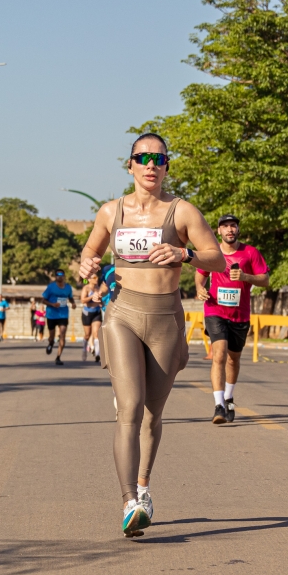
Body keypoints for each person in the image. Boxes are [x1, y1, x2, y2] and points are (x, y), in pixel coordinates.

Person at [78, 132, 225, 537]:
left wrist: (184, 254)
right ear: (130, 165)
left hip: (166, 320)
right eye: (142, 158)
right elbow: (90, 252)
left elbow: (218, 259)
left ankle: (143, 487)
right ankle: (129, 501)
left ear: (166, 167)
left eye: (158, 159)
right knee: (130, 406)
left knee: (152, 414)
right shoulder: (110, 212)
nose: (150, 165)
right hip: (122, 315)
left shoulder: (182, 212)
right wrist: (86, 265)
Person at [195, 214, 270, 424]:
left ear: (238, 230)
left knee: (233, 359)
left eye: (233, 226)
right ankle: (218, 405)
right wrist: (200, 288)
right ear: (219, 231)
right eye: (225, 226)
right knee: (219, 355)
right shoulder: (213, 253)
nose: (230, 230)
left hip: (240, 314)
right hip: (215, 310)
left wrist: (246, 277)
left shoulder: (250, 252)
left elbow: (265, 279)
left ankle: (228, 398)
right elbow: (200, 274)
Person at [42, 270, 75, 365]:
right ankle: (51, 343)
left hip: (63, 314)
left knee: (62, 334)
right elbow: (43, 300)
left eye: (61, 275)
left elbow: (70, 297)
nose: (60, 277)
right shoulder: (51, 287)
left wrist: (73, 303)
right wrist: (52, 304)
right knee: (51, 336)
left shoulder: (68, 287)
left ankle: (58, 357)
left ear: (64, 276)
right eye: (58, 275)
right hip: (51, 314)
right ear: (55, 277)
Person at [80, 271, 105, 363]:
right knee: (87, 334)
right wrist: (92, 296)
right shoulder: (86, 288)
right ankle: (84, 350)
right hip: (87, 313)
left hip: (96, 312)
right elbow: (83, 300)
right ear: (89, 279)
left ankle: (97, 354)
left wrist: (101, 302)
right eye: (94, 278)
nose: (96, 279)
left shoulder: (99, 288)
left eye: (97, 277)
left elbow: (101, 300)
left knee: (96, 333)